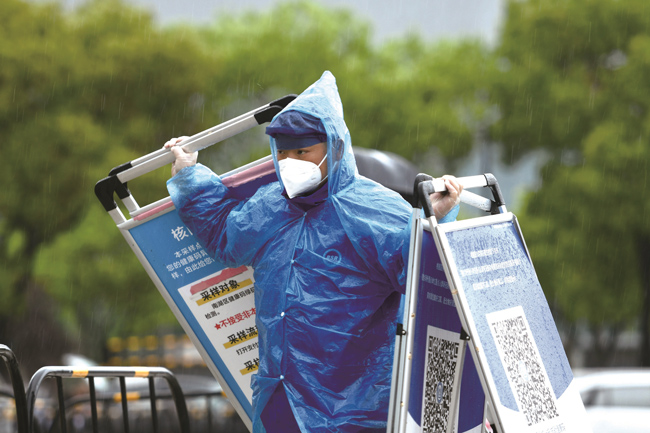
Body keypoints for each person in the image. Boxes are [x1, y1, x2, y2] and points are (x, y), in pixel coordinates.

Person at [165, 71, 463, 433]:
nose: (289, 161)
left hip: (358, 408)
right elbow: (224, 234)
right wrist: (190, 176)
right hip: (281, 401)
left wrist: (434, 219)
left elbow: (416, 271)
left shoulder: (373, 208)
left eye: (302, 151)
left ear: (334, 147)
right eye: (282, 152)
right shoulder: (270, 206)